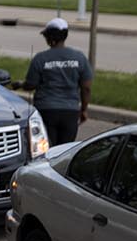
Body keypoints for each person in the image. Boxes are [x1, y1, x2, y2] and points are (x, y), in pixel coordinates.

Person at [13, 17, 92, 145]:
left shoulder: (41, 58)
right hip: (70, 111)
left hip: (46, 110)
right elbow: (86, 88)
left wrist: (20, 84)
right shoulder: (79, 58)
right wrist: (84, 109)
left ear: (49, 38)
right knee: (64, 149)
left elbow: (31, 85)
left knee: (47, 149)